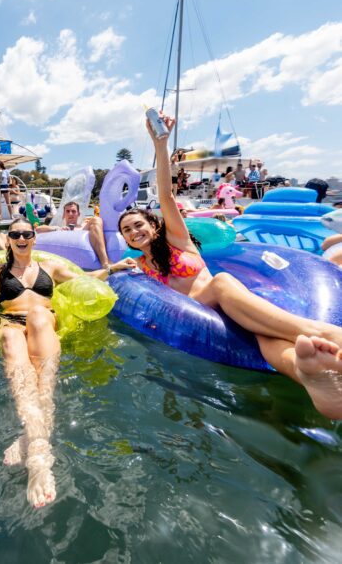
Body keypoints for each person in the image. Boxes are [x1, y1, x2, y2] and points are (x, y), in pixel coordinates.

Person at [117, 113, 342, 420]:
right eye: (127, 230)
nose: (133, 232)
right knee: (223, 282)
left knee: (263, 338)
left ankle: (310, 377)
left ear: (153, 224)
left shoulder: (178, 240)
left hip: (224, 307)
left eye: (137, 224)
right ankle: (322, 333)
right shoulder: (139, 265)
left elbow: (167, 194)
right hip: (197, 312)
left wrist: (161, 143)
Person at [0, 217, 134, 507]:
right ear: (8, 239)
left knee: (40, 320)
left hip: (44, 322)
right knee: (12, 341)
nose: (21, 237)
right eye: (15, 233)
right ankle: (38, 446)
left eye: (26, 233)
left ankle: (34, 442)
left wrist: (113, 268)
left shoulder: (50, 268)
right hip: (10, 323)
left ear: (33, 237)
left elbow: (84, 279)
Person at [36, 201, 112, 270]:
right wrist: (58, 229)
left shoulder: (85, 227)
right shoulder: (59, 228)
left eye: (73, 211)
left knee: (96, 219)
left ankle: (105, 262)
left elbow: (96, 221)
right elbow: (38, 229)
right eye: (68, 211)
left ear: (78, 214)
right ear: (63, 214)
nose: (70, 214)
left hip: (86, 264)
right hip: (66, 265)